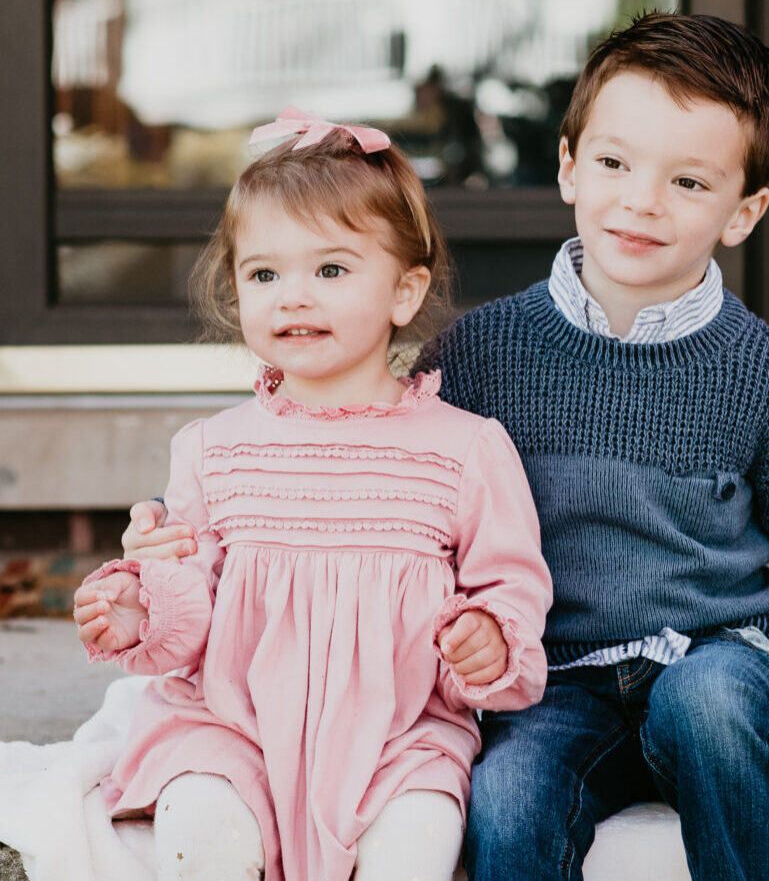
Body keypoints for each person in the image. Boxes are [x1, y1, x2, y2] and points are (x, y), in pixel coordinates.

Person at [123, 13, 769, 880]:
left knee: (711, 706)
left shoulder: (763, 374)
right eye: (613, 163)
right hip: (555, 679)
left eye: (686, 181)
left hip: (714, 656)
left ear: (742, 212)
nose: (640, 200)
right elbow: (382, 471)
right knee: (511, 795)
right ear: (567, 166)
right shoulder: (484, 353)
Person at [74, 109, 552, 881]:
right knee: (202, 832)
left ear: (404, 290)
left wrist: (488, 639)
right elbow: (192, 599)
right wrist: (142, 607)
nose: (293, 296)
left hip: (399, 735)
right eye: (265, 273)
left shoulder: (465, 447)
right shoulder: (213, 447)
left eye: (330, 270)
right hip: (234, 725)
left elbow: (511, 584)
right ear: (236, 292)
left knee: (417, 841)